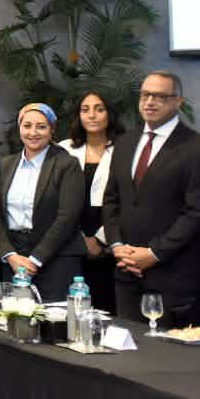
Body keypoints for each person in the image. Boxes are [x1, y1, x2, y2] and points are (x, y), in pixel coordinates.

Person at [103, 71, 200, 326]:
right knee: (128, 350)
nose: (150, 102)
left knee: (165, 352)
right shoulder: (124, 143)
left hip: (173, 279)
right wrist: (117, 246)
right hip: (127, 274)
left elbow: (198, 214)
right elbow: (112, 199)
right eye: (145, 95)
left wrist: (154, 253)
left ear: (178, 101)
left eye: (160, 96)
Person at [0, 104, 87, 301]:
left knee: (55, 318)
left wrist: (36, 259)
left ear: (52, 129)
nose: (33, 132)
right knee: (14, 317)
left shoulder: (67, 164)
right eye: (27, 126)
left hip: (57, 259)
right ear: (19, 128)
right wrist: (10, 254)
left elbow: (68, 218)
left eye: (41, 126)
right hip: (15, 261)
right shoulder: (5, 165)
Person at [60, 90, 123, 311]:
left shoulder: (124, 149)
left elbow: (127, 201)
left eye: (99, 109)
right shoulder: (64, 149)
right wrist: (78, 238)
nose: (92, 115)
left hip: (111, 235)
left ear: (109, 114)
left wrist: (100, 239)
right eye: (85, 110)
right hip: (70, 237)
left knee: (107, 307)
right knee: (71, 308)